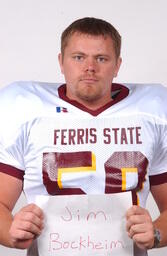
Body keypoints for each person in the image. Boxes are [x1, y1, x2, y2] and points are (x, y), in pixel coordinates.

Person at [0, 17, 167, 256]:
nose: (90, 67)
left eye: (101, 58)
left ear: (117, 64)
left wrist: (156, 234)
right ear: (61, 61)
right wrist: (10, 233)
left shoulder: (154, 110)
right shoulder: (24, 109)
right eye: (78, 57)